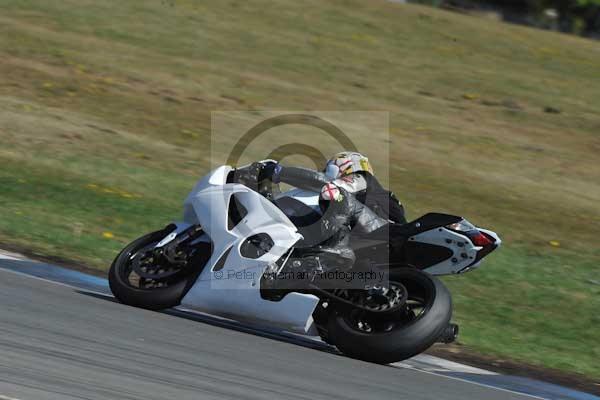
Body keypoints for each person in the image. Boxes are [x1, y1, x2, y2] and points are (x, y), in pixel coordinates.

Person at [233, 152, 406, 268]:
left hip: (377, 231)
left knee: (333, 193)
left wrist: (280, 172)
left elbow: (331, 185)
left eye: (327, 169)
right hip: (375, 240)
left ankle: (334, 250)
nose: (324, 173)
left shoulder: (362, 178)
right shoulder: (375, 196)